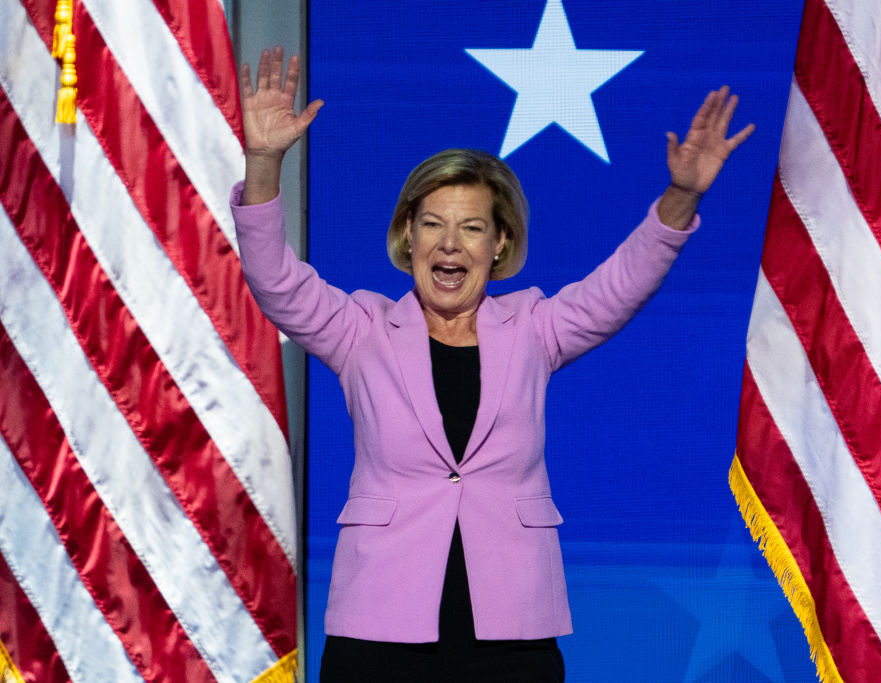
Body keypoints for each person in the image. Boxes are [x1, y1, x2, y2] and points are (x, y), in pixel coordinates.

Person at [233, 46, 753, 683]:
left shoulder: (535, 328)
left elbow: (620, 285)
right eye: (432, 224)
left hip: (511, 633)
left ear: (500, 241)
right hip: (379, 626)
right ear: (409, 236)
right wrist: (263, 163)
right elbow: (275, 281)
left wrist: (679, 195)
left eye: (472, 227)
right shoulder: (362, 329)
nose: (450, 244)